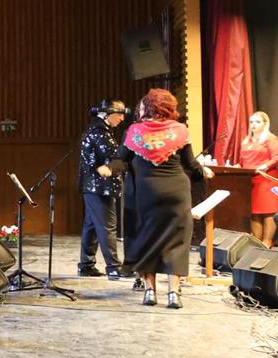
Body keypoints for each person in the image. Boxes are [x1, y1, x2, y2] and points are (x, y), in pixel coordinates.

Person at [99, 88, 210, 309]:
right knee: (176, 242)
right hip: (176, 194)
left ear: (148, 107)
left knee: (146, 240)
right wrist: (203, 172)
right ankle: (173, 294)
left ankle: (150, 291)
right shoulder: (179, 130)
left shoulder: (135, 131)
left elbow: (122, 160)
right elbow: (190, 164)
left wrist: (109, 168)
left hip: (146, 193)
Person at [78, 98, 128, 279]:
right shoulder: (100, 132)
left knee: (91, 226)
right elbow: (114, 157)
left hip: (93, 187)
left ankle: (86, 264)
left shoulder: (97, 130)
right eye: (120, 114)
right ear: (109, 113)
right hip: (100, 187)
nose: (122, 119)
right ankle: (114, 267)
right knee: (107, 226)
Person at [237, 110, 278, 246]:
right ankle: (257, 243)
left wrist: (265, 165)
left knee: (267, 212)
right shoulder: (246, 140)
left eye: (257, 122)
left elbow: (276, 157)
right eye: (252, 122)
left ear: (265, 124)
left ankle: (267, 242)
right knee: (255, 213)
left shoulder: (270, 138)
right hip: (250, 181)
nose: (254, 125)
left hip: (266, 180)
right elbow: (243, 162)